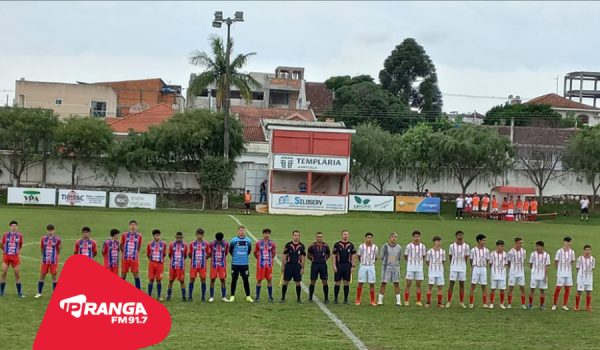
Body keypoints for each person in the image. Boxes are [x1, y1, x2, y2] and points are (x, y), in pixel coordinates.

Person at [35, 224, 61, 299]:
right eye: (49, 230)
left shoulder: (57, 239)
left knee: (54, 276)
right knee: (42, 275)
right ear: (47, 231)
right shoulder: (43, 239)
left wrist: (55, 256)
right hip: (45, 260)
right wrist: (44, 256)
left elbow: (58, 249)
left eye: (51, 230)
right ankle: (39, 293)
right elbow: (42, 248)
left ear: (54, 230)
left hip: (53, 260)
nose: (50, 232)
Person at [228, 226, 253, 303]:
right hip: (235, 263)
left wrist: (243, 256)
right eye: (240, 230)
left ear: (245, 231)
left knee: (245, 279)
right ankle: (232, 296)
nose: (242, 232)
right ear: (238, 231)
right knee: (234, 279)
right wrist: (236, 257)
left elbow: (249, 251)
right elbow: (230, 251)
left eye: (243, 230)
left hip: (244, 264)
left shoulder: (248, 240)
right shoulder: (233, 240)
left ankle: (248, 296)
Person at [281, 230, 306, 303]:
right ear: (292, 236)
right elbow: (284, 255)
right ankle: (283, 297)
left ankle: (298, 298)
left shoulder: (302, 246)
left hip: (297, 266)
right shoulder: (288, 245)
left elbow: (303, 257)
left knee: (298, 282)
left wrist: (302, 267)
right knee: (285, 281)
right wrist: (283, 265)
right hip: (289, 265)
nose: (296, 237)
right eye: (295, 235)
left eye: (298, 235)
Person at [446, 230, 470, 308]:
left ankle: (461, 302)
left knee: (462, 284)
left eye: (461, 235)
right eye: (458, 235)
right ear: (456, 236)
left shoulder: (466, 246)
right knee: (451, 284)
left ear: (463, 236)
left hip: (462, 268)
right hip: (454, 267)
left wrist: (463, 265)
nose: (460, 236)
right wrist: (453, 264)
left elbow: (466, 257)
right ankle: (448, 301)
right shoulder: (451, 246)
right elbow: (450, 256)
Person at [0, 221, 24, 297]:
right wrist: (3, 250)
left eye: (15, 226)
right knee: (3, 273)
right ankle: (1, 291)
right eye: (12, 226)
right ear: (10, 227)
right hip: (6, 256)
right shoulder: (5, 235)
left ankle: (19, 292)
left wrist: (16, 251)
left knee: (17, 274)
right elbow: (1, 244)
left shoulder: (20, 235)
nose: (14, 227)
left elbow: (20, 245)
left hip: (15, 257)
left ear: (17, 227)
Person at [332, 230, 356, 304]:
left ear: (348, 236)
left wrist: (353, 266)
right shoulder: (337, 244)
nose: (346, 236)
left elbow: (353, 256)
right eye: (344, 234)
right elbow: (333, 255)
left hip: (347, 265)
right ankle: (336, 299)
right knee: (337, 282)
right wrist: (334, 265)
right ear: (341, 235)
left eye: (347, 234)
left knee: (346, 282)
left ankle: (345, 299)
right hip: (339, 265)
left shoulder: (351, 245)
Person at [378, 232, 402, 306]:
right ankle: (380, 300)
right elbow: (381, 257)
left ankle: (398, 301)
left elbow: (399, 257)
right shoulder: (385, 246)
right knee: (383, 283)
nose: (394, 238)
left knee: (396, 283)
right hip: (386, 268)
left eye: (395, 237)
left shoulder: (399, 247)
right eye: (392, 237)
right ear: (389, 238)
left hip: (395, 268)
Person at [404, 230, 427, 306]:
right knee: (408, 284)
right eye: (415, 236)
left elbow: (424, 256)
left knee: (418, 285)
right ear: (413, 237)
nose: (417, 238)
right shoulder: (409, 246)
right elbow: (406, 256)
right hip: (410, 268)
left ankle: (418, 300)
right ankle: (406, 300)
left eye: (418, 236)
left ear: (420, 237)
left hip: (419, 268)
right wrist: (410, 263)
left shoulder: (423, 246)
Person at [552, 236, 575, 311]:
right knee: (558, 288)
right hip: (561, 273)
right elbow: (556, 262)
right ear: (564, 242)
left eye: (570, 242)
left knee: (567, 289)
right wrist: (558, 271)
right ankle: (554, 304)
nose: (569, 243)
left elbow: (572, 262)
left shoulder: (572, 252)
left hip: (568, 274)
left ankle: (564, 305)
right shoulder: (559, 251)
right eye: (568, 242)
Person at [356, 232, 378, 306]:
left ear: (372, 238)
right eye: (368, 238)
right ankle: (358, 300)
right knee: (360, 283)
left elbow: (376, 257)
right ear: (365, 238)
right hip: (363, 266)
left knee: (372, 283)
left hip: (371, 266)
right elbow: (359, 256)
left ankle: (372, 300)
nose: (369, 239)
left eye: (370, 238)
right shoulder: (361, 247)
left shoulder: (375, 247)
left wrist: (371, 262)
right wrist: (363, 262)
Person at [307, 231, 330, 303]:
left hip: (323, 265)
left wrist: (324, 259)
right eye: (318, 237)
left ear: (322, 237)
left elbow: (328, 254)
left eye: (321, 237)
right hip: (315, 265)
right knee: (313, 281)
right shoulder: (312, 246)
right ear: (316, 237)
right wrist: (313, 259)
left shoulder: (326, 246)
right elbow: (309, 254)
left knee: (325, 281)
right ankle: (310, 297)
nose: (319, 238)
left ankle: (326, 298)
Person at [254, 228, 276, 303]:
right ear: (263, 234)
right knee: (259, 280)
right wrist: (259, 259)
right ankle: (257, 297)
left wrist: (269, 259)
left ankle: (270, 297)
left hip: (269, 265)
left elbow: (273, 253)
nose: (267, 235)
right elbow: (255, 252)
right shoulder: (258, 243)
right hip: (261, 265)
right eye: (265, 233)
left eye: (268, 233)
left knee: (269, 280)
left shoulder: (272, 244)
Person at [469, 233, 490, 308]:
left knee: (484, 286)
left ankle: (484, 303)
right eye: (483, 240)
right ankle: (471, 303)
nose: (485, 242)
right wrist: (473, 267)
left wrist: (484, 266)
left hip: (483, 268)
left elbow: (487, 260)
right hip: (476, 268)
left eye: (485, 240)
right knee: (473, 285)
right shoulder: (473, 250)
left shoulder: (487, 250)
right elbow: (471, 260)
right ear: (479, 241)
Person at [120, 220, 143, 289]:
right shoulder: (124, 235)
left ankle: (138, 289)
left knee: (136, 273)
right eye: (131, 224)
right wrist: (124, 253)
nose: (133, 226)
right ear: (129, 226)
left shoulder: (139, 235)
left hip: (134, 258)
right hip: (125, 258)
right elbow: (121, 245)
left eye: (134, 224)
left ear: (136, 226)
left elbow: (139, 246)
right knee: (123, 273)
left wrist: (135, 253)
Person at [528, 240, 550, 310]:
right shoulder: (533, 254)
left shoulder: (547, 255)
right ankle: (530, 304)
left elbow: (547, 266)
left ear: (542, 247)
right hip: (534, 276)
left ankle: (542, 305)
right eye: (536, 246)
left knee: (542, 291)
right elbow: (531, 264)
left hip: (542, 276)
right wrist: (534, 271)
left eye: (538, 246)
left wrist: (545, 276)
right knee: (532, 290)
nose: (537, 248)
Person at [188, 228, 209, 302]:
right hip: (194, 265)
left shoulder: (206, 244)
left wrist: (204, 259)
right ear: (196, 235)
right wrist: (194, 259)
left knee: (203, 280)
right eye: (198, 234)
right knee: (192, 279)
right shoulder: (192, 244)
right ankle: (190, 296)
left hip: (202, 265)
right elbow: (189, 254)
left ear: (203, 235)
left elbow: (209, 253)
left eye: (201, 234)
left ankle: (203, 297)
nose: (199, 236)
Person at [425, 236, 446, 308]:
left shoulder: (443, 252)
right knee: (430, 286)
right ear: (434, 242)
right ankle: (428, 302)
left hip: (440, 272)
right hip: (432, 271)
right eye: (438, 241)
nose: (439, 243)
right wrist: (431, 267)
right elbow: (427, 261)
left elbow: (443, 261)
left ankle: (439, 303)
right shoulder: (430, 252)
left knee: (440, 287)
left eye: (440, 241)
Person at [507, 237, 527, 309]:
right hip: (513, 273)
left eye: (522, 243)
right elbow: (508, 262)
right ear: (515, 243)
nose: (521, 244)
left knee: (522, 288)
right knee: (511, 288)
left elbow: (523, 260)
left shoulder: (524, 251)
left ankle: (523, 304)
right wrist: (511, 270)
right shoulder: (510, 252)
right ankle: (509, 303)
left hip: (521, 273)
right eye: (519, 243)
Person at [208, 232, 229, 303]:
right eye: (218, 241)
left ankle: (223, 297)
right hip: (214, 264)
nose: (219, 242)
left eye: (220, 241)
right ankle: (211, 297)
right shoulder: (211, 244)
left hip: (222, 265)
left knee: (222, 280)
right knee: (212, 279)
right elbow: (210, 253)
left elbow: (226, 253)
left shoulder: (226, 244)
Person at [147, 229, 167, 301]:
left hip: (160, 264)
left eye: (159, 235)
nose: (158, 237)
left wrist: (161, 260)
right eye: (156, 235)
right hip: (152, 264)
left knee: (159, 280)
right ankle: (149, 295)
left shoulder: (163, 244)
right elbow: (148, 254)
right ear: (153, 236)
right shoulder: (149, 244)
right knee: (151, 279)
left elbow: (164, 254)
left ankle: (159, 296)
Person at [167, 231, 187, 301]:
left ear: (182, 238)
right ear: (175, 237)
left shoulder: (185, 245)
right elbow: (169, 255)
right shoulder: (171, 245)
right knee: (171, 280)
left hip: (181, 266)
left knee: (182, 281)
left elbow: (185, 256)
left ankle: (184, 296)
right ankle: (168, 296)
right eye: (177, 237)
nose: (179, 239)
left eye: (180, 238)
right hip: (173, 266)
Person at [575, 245, 595, 311]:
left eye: (589, 250)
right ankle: (577, 306)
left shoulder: (593, 259)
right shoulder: (580, 258)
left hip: (589, 278)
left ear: (590, 251)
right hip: (581, 278)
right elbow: (577, 268)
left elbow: (593, 268)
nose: (588, 251)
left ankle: (588, 307)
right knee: (579, 291)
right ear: (584, 250)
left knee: (589, 292)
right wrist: (580, 275)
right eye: (586, 250)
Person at [489, 240, 508, 309]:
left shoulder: (505, 254)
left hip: (502, 275)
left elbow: (506, 264)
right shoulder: (492, 254)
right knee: (493, 289)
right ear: (497, 246)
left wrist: (502, 271)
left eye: (503, 246)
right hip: (494, 274)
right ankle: (491, 303)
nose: (502, 247)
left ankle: (502, 303)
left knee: (502, 289)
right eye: (501, 246)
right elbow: (490, 264)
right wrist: (493, 271)